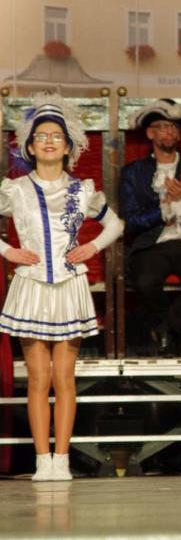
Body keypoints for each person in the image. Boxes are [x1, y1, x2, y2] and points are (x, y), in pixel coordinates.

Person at [0, 95, 123, 481]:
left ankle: (62, 459)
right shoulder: (15, 189)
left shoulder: (82, 190)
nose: (49, 142)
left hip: (70, 286)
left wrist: (92, 247)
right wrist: (8, 251)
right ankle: (43, 460)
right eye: (42, 136)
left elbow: (115, 224)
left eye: (57, 136)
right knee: (38, 377)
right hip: (32, 286)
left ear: (68, 146)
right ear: (30, 147)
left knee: (64, 377)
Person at [119, 98, 181, 356]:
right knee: (145, 282)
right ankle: (176, 331)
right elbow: (131, 222)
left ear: (179, 134)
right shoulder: (133, 172)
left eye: (173, 127)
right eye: (162, 126)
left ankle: (165, 329)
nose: (169, 131)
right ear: (150, 133)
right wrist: (163, 208)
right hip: (151, 244)